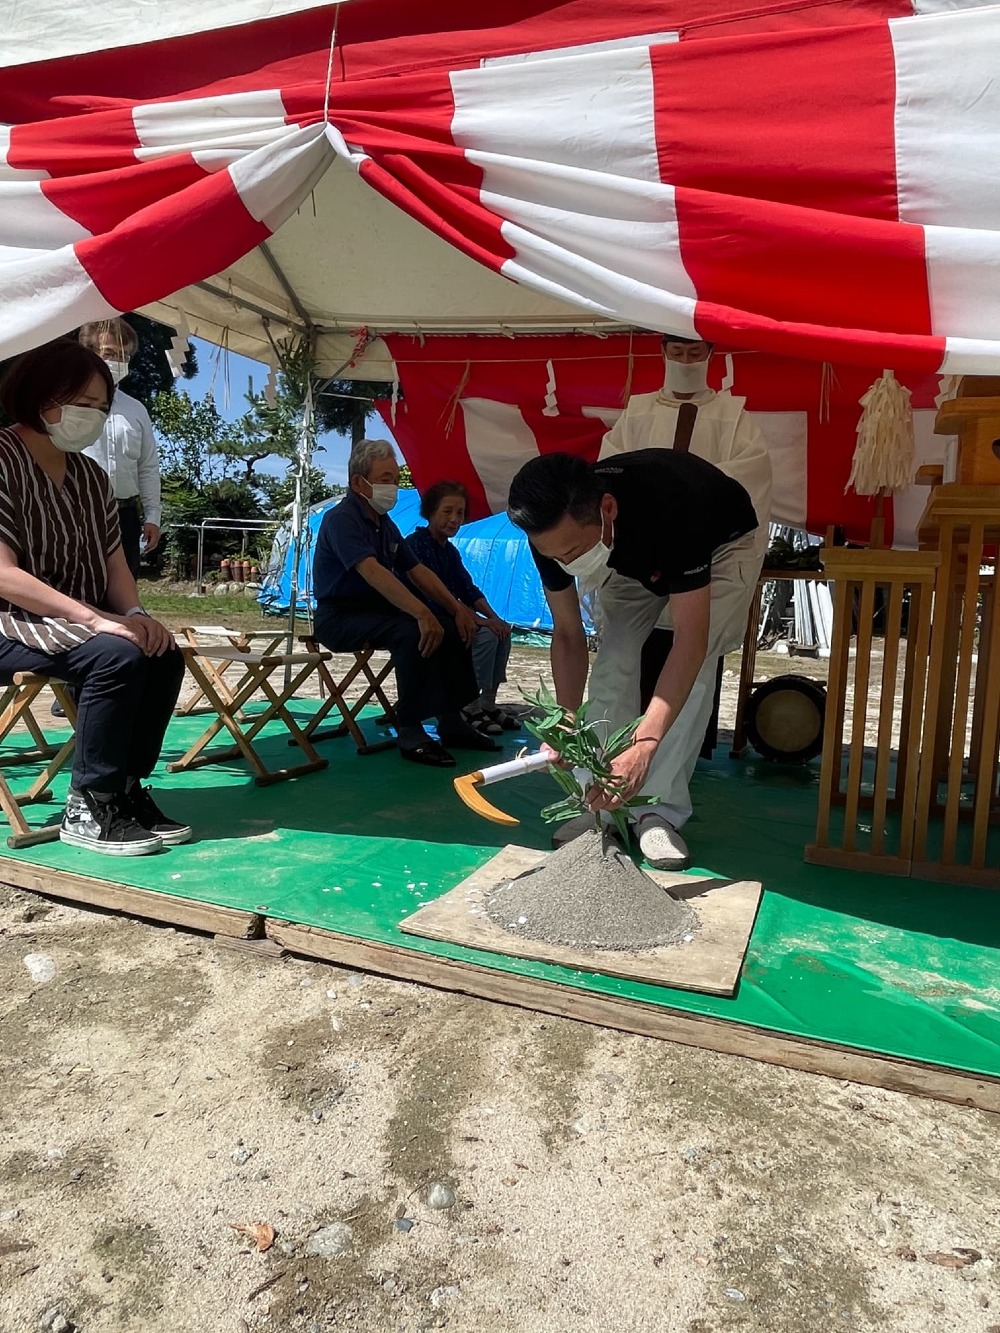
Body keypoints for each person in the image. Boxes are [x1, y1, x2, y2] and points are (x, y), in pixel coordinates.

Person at [508, 448, 761, 870]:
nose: (566, 564)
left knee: (693, 676)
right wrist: (566, 720)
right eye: (555, 557)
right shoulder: (550, 534)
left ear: (607, 509)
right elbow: (569, 634)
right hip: (627, 555)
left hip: (720, 544)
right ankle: (600, 807)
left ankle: (657, 812)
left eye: (571, 550)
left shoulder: (677, 509)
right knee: (615, 656)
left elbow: (690, 642)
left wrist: (644, 744)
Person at [0, 339, 190, 855]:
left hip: (76, 619)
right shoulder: (1, 458)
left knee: (160, 649)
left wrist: (132, 612)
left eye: (101, 407)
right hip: (9, 621)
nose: (94, 416)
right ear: (42, 395)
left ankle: (125, 790)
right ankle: (89, 801)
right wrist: (97, 620)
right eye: (82, 403)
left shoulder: (91, 477)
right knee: (115, 655)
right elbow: (2, 575)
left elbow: (114, 562)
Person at [601, 333, 773, 758]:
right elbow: (608, 474)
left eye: (695, 352)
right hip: (639, 553)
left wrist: (688, 495)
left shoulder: (733, 415)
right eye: (677, 352)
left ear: (711, 354)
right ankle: (601, 780)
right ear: (662, 352)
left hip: (707, 552)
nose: (685, 359)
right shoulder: (637, 411)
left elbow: (750, 481)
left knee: (696, 663)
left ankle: (662, 802)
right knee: (615, 659)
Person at [312, 441, 501, 768]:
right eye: (385, 478)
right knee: (413, 630)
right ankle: (410, 730)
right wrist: (421, 612)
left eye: (396, 479)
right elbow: (370, 570)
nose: (393, 487)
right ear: (359, 483)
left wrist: (457, 610)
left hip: (374, 613)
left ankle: (452, 721)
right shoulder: (340, 519)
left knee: (449, 624)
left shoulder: (385, 525)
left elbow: (418, 571)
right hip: (339, 618)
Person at [406, 481, 518, 736]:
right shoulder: (416, 544)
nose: (455, 519)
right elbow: (430, 595)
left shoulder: (449, 551)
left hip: (450, 615)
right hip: (425, 619)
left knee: (501, 631)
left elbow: (468, 589)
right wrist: (478, 621)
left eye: (459, 513)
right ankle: (468, 704)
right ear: (430, 512)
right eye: (447, 512)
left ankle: (487, 703)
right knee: (486, 636)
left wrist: (494, 618)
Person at [77, 318, 163, 578]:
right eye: (109, 353)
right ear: (89, 353)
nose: (116, 362)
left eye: (123, 356)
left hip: (124, 515)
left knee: (124, 591)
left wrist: (152, 516)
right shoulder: (68, 400)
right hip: (77, 510)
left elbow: (148, 466)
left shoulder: (136, 409)